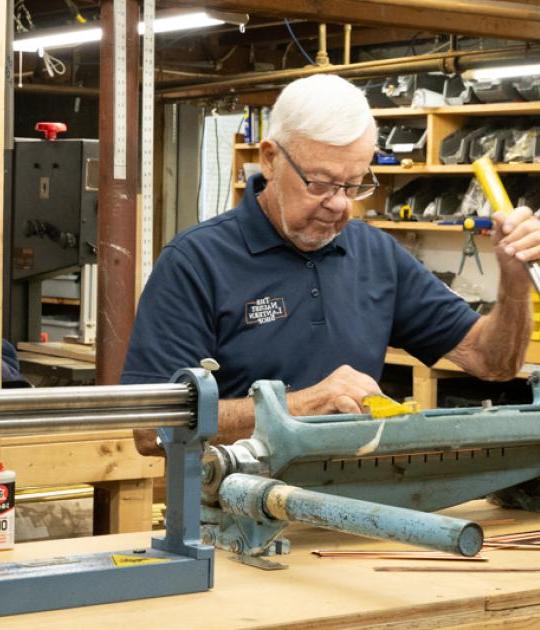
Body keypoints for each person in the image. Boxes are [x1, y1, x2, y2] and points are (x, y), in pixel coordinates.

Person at [122, 74, 539, 455]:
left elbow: (492, 362)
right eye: (319, 183)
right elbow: (152, 427)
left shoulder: (378, 255)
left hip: (361, 508)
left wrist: (514, 280)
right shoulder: (196, 262)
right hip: (236, 514)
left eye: (354, 184)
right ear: (270, 159)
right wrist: (301, 406)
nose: (339, 203)